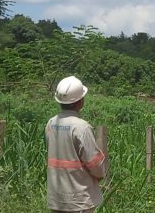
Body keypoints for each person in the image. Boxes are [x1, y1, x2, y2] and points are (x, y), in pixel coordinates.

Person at [46, 76, 107, 213]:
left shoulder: (51, 123)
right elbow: (94, 163)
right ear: (80, 102)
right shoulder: (81, 127)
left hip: (56, 198)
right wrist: (100, 174)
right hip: (79, 200)